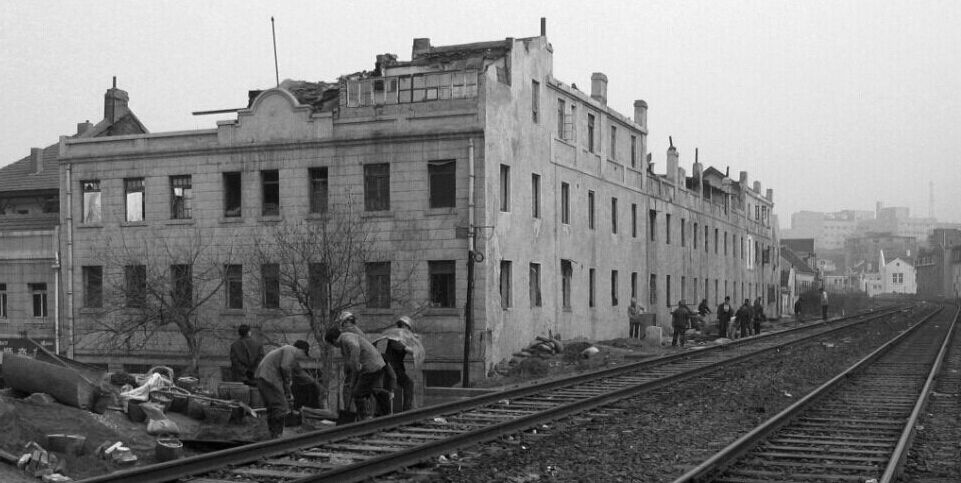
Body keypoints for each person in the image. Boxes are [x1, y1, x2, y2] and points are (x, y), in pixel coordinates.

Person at [324, 326, 390, 421]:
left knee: (358, 393)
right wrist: (352, 380)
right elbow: (352, 366)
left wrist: (355, 367)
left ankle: (365, 417)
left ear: (334, 340)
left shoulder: (346, 339)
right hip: (374, 365)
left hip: (371, 366)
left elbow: (354, 348)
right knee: (364, 390)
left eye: (332, 344)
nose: (334, 347)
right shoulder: (345, 341)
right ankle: (383, 401)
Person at [254, 340, 314, 438]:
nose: (301, 357)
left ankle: (272, 433)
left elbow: (297, 372)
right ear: (301, 350)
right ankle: (278, 434)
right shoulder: (290, 349)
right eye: (303, 354)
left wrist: (288, 390)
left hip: (263, 378)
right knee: (280, 406)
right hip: (269, 378)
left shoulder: (284, 353)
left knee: (272, 407)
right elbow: (285, 367)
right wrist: (287, 382)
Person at [372, 315, 425, 412]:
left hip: (395, 367)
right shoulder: (395, 338)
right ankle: (406, 410)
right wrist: (414, 347)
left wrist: (413, 339)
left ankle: (384, 412)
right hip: (392, 367)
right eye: (407, 327)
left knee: (389, 389)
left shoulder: (399, 336)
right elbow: (406, 349)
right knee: (408, 384)